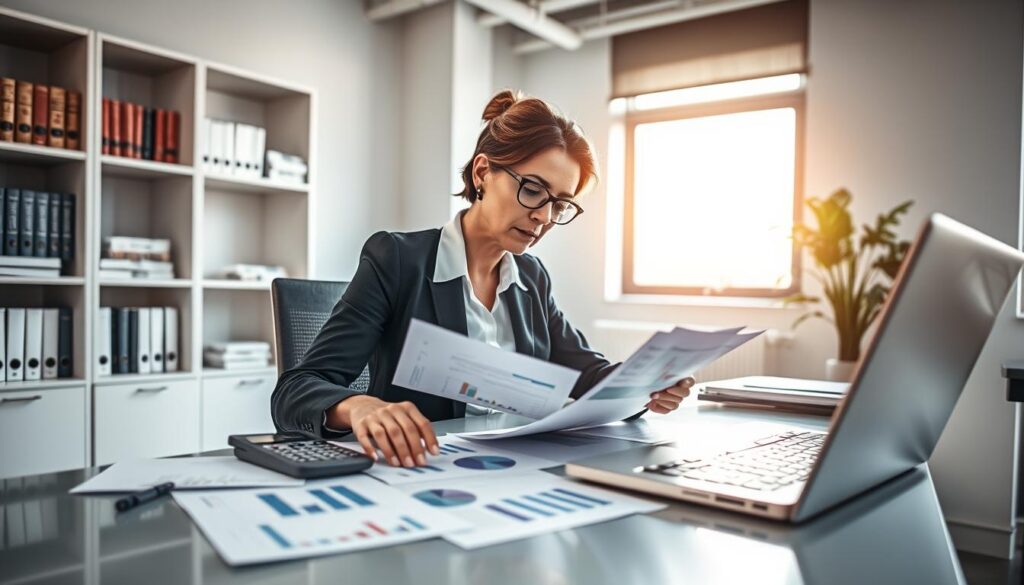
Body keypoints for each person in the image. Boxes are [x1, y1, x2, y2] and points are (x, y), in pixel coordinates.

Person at [271, 89, 694, 468]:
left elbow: (587, 376)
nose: (544, 217)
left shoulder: (531, 277)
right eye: (533, 190)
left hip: (518, 469)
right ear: (481, 174)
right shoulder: (398, 260)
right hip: (424, 475)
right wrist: (359, 406)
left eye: (559, 205)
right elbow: (297, 390)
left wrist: (649, 384)